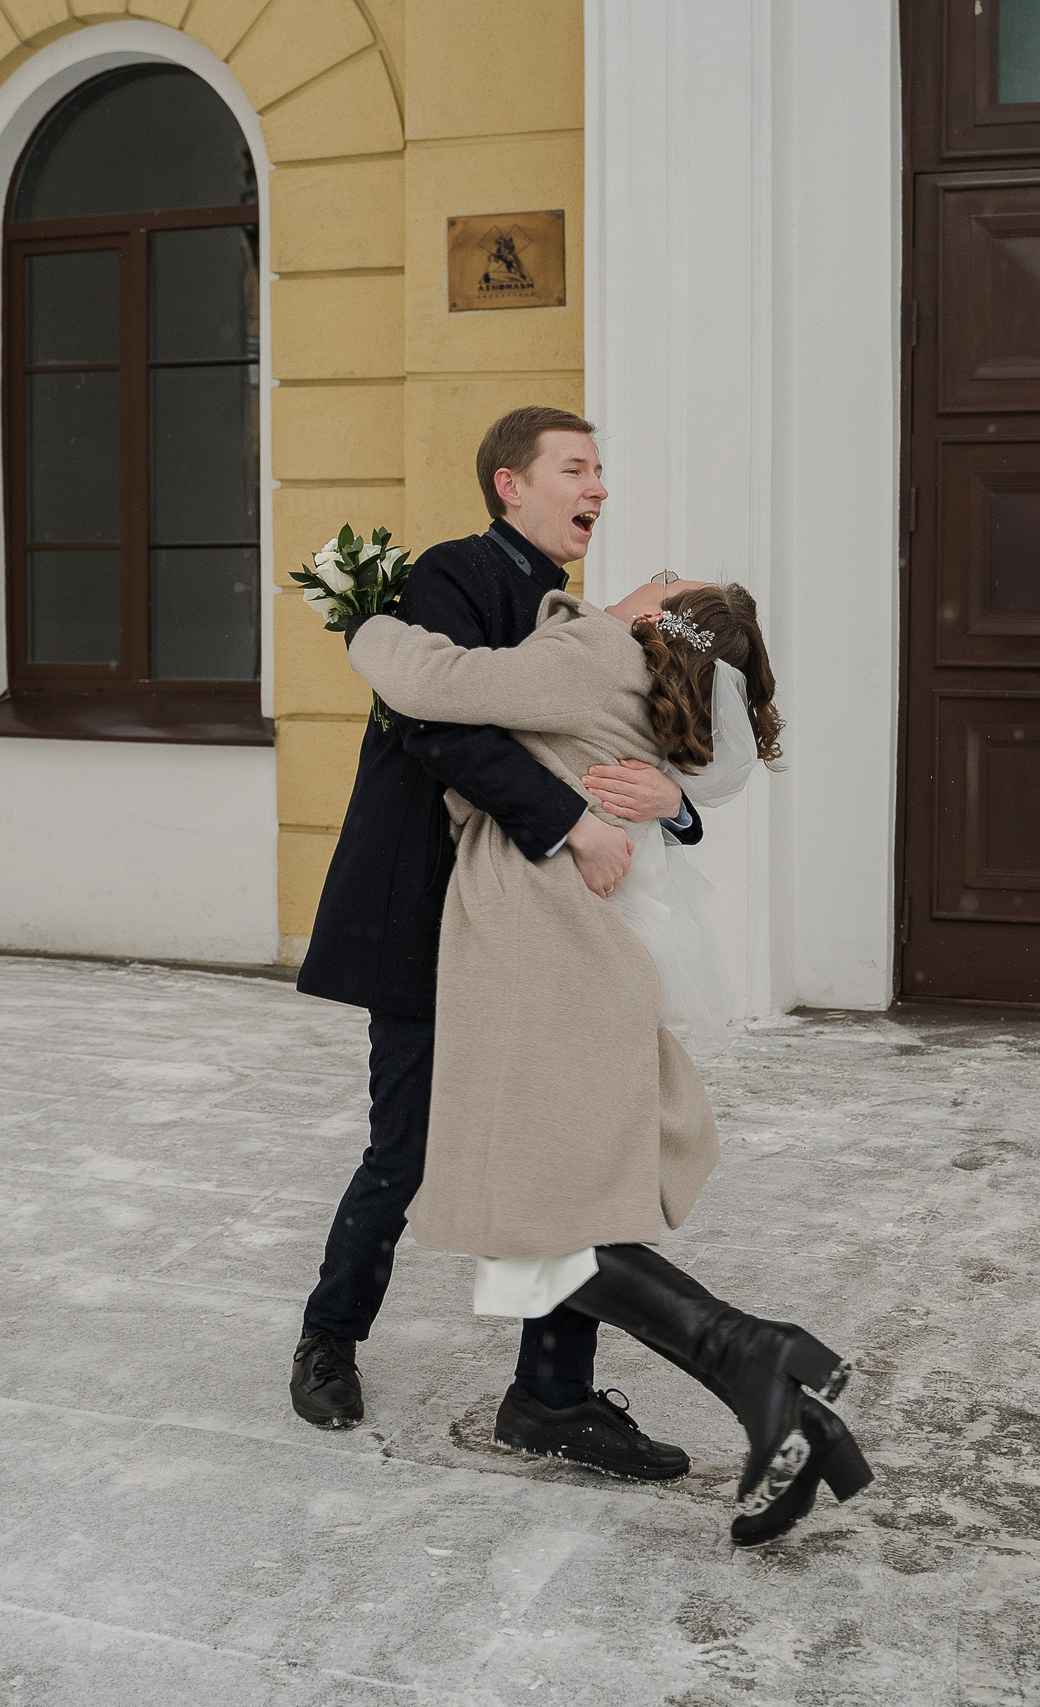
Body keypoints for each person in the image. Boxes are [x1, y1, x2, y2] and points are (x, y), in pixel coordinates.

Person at [342, 577, 874, 1544]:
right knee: (562, 1201)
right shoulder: (656, 694)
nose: (646, 571)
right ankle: (768, 1413)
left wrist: (364, 618)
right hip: (587, 955)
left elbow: (432, 680)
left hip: (540, 956)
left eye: (669, 577)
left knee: (539, 1210)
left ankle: (752, 1356)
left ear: (656, 614)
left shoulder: (590, 657)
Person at [290, 407, 704, 1482]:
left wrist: (673, 802)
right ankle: (331, 1334)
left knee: (569, 1156)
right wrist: (570, 823)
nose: (599, 487)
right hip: (432, 916)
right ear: (509, 485)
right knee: (408, 1148)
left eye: (603, 468)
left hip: (554, 933)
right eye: (576, 468)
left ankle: (553, 1398)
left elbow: (659, 740)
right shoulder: (454, 574)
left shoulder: (600, 620)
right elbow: (437, 724)